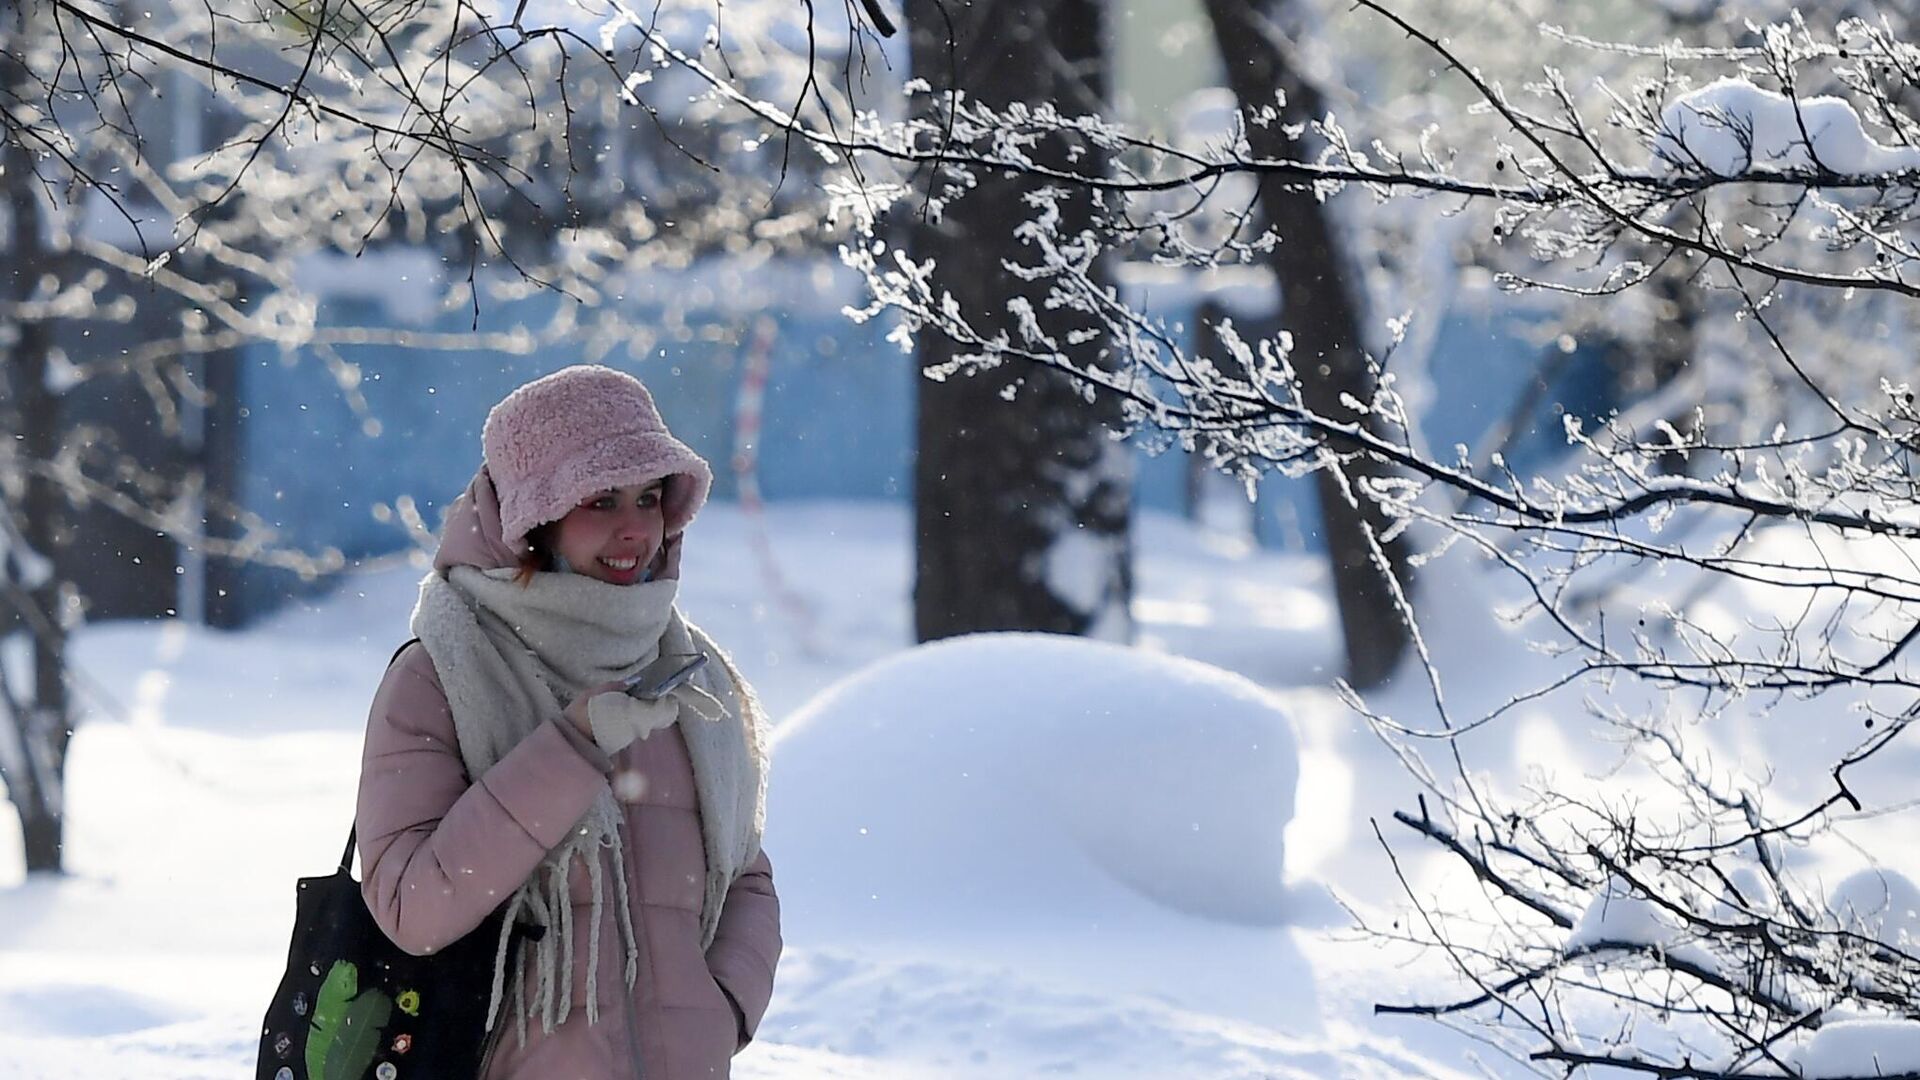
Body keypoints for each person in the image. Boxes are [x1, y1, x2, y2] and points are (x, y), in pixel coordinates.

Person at [354, 364, 780, 1078]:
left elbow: (745, 873)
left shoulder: (687, 672)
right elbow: (410, 906)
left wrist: (723, 1008)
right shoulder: (441, 674)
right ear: (533, 517)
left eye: (649, 498)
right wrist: (570, 748)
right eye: (600, 500)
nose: (633, 529)